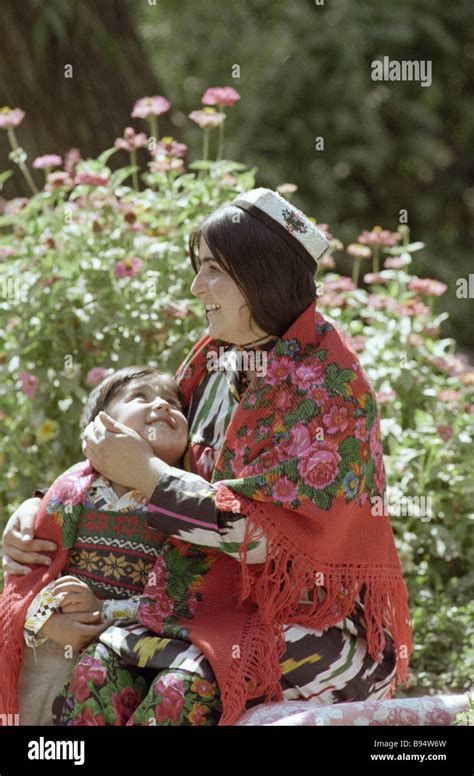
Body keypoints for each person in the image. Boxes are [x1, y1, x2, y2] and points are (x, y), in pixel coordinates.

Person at [1, 187, 413, 727]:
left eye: (213, 270)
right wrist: (37, 513)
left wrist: (147, 477)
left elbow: (268, 542)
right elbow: (144, 451)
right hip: (203, 597)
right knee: (99, 671)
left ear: (258, 276)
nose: (197, 287)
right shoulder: (217, 359)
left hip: (311, 622)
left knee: (179, 690)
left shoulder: (329, 390)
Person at [0, 365, 192, 724]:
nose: (163, 407)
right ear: (100, 426)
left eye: (172, 402)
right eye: (141, 397)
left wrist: (103, 611)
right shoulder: (72, 491)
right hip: (50, 649)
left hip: (128, 658)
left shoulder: (184, 504)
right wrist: (43, 623)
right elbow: (28, 579)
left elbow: (179, 599)